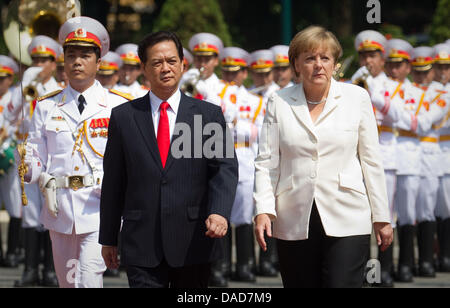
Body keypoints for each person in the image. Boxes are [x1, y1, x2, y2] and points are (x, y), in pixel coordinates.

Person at [253, 26, 393, 288]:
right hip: (294, 217)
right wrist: (263, 210)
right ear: (296, 64)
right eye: (309, 58)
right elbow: (266, 162)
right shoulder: (278, 101)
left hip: (347, 214)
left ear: (335, 63)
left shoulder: (356, 98)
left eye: (325, 58)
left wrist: (382, 217)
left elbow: (371, 160)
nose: (318, 65)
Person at [99, 30, 238, 288]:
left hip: (194, 240)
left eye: (172, 61)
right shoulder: (124, 117)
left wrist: (219, 212)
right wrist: (108, 237)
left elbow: (224, 169)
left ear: (183, 64)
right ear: (144, 68)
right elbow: (114, 181)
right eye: (157, 62)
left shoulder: (207, 115)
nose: (166, 68)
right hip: (141, 242)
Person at [21, 16, 130, 288]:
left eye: (84, 55)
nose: (77, 62)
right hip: (60, 210)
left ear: (98, 62)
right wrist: (30, 168)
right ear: (63, 61)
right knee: (67, 282)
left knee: (88, 280)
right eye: (71, 56)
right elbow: (36, 154)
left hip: (99, 210)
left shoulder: (118, 106)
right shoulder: (45, 107)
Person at [353, 30, 396, 287]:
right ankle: (362, 272)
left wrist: (370, 92)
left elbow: (398, 117)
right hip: (356, 157)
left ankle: (384, 272)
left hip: (385, 156)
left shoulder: (393, 87)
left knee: (385, 215)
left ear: (382, 58)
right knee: (360, 215)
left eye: (373, 55)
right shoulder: (353, 83)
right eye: (364, 55)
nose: (368, 60)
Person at [0, 55, 23, 269]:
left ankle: (14, 252)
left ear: (10, 79)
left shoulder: (15, 97)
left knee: (15, 203)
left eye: (2, 79)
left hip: (10, 158)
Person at [180, 32, 223, 102]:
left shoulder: (224, 87)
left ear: (216, 61)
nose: (202, 63)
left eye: (207, 60)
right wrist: (180, 84)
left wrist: (207, 93)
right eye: (199, 59)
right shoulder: (187, 80)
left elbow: (224, 111)